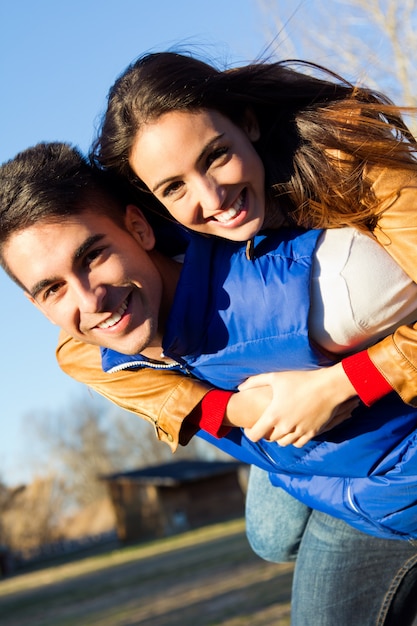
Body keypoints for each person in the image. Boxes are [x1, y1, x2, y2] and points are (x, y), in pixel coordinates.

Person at [2, 142, 417, 625]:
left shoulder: (326, 289)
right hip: (297, 465)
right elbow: (85, 357)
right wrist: (237, 410)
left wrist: (344, 383)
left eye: (94, 256)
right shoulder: (90, 352)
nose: (90, 301)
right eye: (52, 288)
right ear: (38, 307)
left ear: (138, 227)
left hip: (384, 488)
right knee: (269, 534)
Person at [90, 50, 417, 447]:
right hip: (288, 434)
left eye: (216, 156)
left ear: (248, 122)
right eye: (174, 187)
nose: (212, 199)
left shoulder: (351, 164)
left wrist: (339, 384)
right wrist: (228, 410)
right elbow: (74, 350)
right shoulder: (166, 233)